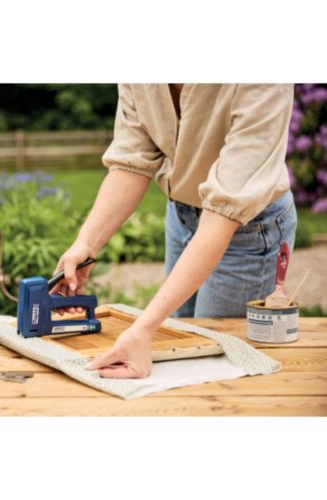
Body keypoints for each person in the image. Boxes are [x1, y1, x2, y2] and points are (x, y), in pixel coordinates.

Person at [51, 84, 297, 379]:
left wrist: (144, 329)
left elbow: (223, 212)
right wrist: (86, 242)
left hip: (246, 226)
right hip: (182, 215)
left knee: (213, 367)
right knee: (181, 345)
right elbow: (132, 160)